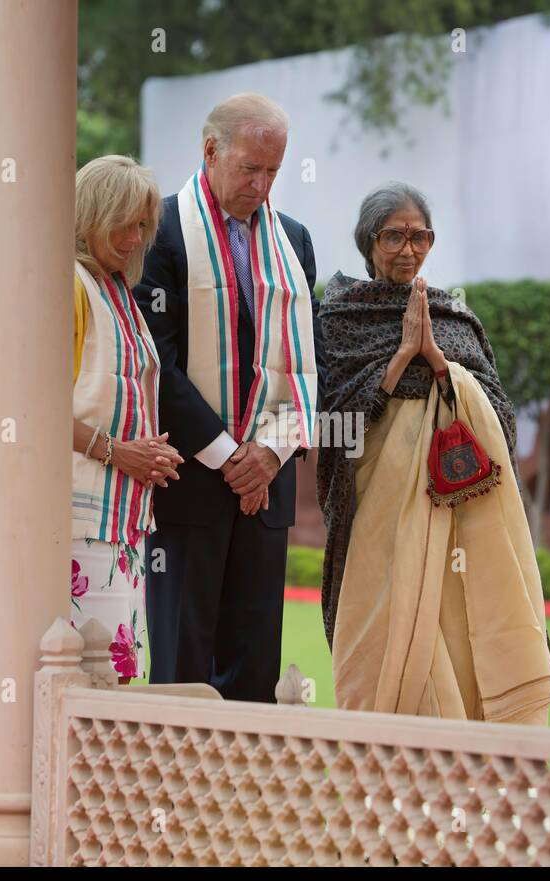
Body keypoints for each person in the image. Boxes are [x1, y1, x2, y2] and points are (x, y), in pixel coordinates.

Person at [316, 182, 550, 724]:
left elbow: (502, 420)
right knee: (390, 618)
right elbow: (333, 428)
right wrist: (401, 359)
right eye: (394, 236)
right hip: (379, 510)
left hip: (457, 514)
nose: (408, 249)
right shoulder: (339, 316)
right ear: (369, 242)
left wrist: (442, 364)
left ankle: (463, 754)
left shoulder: (454, 318)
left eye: (419, 236)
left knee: (454, 626)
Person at [133, 93, 318, 702]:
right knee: (182, 667)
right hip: (190, 481)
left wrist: (268, 455)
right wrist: (229, 456)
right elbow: (156, 365)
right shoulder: (156, 230)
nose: (261, 185)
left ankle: (245, 797)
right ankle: (172, 797)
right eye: (249, 168)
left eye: (273, 171)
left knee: (254, 665)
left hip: (267, 485)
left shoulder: (294, 241)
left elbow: (301, 363)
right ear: (210, 151)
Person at [69, 155, 181, 681]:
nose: (137, 238)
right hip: (79, 521)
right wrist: (120, 452)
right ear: (92, 213)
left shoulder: (115, 291)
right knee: (91, 680)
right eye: (126, 222)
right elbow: (32, 407)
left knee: (117, 676)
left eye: (144, 225)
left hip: (121, 521)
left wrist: (149, 453)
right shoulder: (70, 285)